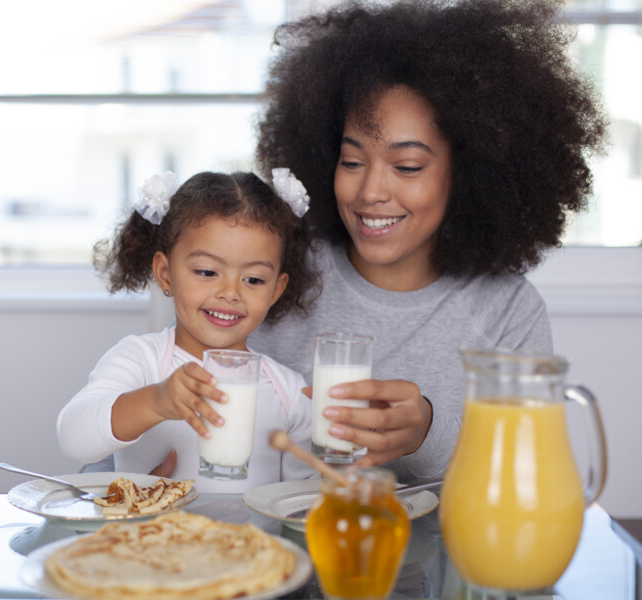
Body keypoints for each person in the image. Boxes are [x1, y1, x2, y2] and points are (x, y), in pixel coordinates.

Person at [248, 0, 608, 484]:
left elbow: (523, 477)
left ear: (467, 173)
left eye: (408, 166)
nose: (371, 191)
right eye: (352, 162)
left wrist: (425, 434)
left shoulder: (507, 312)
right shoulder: (274, 272)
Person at [57, 169, 321, 492]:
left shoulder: (289, 393)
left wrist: (329, 436)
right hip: (153, 543)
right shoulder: (143, 362)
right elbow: (72, 436)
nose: (230, 292)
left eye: (253, 279)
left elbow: (302, 501)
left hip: (249, 543)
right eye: (207, 272)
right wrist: (155, 401)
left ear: (276, 291)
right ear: (166, 274)